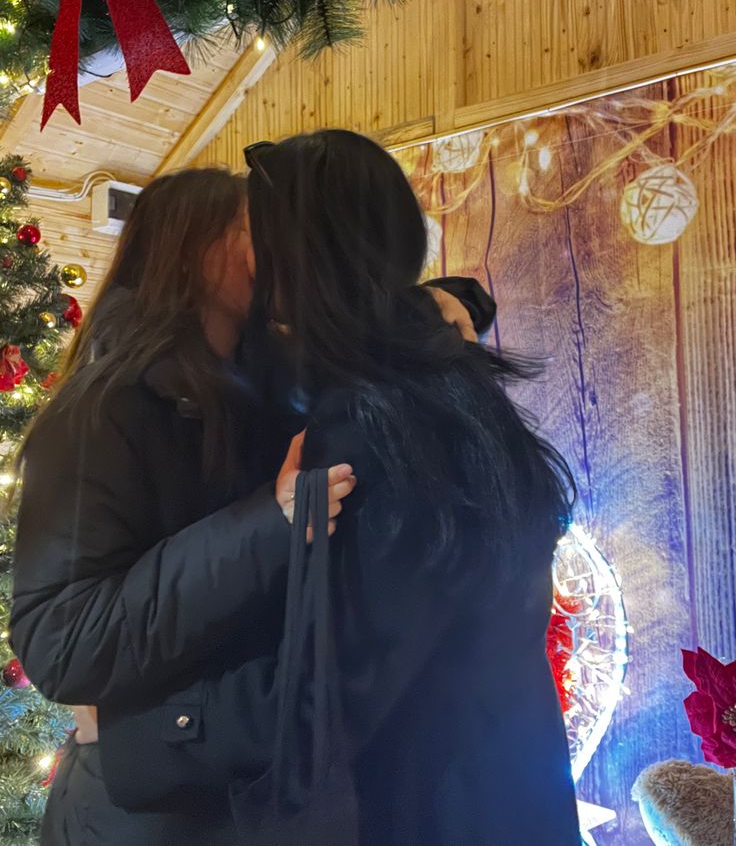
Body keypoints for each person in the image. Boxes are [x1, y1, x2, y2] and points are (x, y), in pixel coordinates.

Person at [95, 131, 581, 845]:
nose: (247, 268)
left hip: (431, 815)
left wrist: (131, 737)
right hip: (514, 797)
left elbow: (328, 700)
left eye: (256, 241)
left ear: (301, 262)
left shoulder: (369, 428)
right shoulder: (445, 384)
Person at [10, 166, 492, 846]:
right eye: (250, 229)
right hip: (137, 811)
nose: (271, 248)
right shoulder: (104, 411)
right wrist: (269, 522)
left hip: (240, 795)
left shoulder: (259, 382)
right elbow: (59, 642)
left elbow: (355, 310)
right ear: (194, 250)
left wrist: (445, 299)